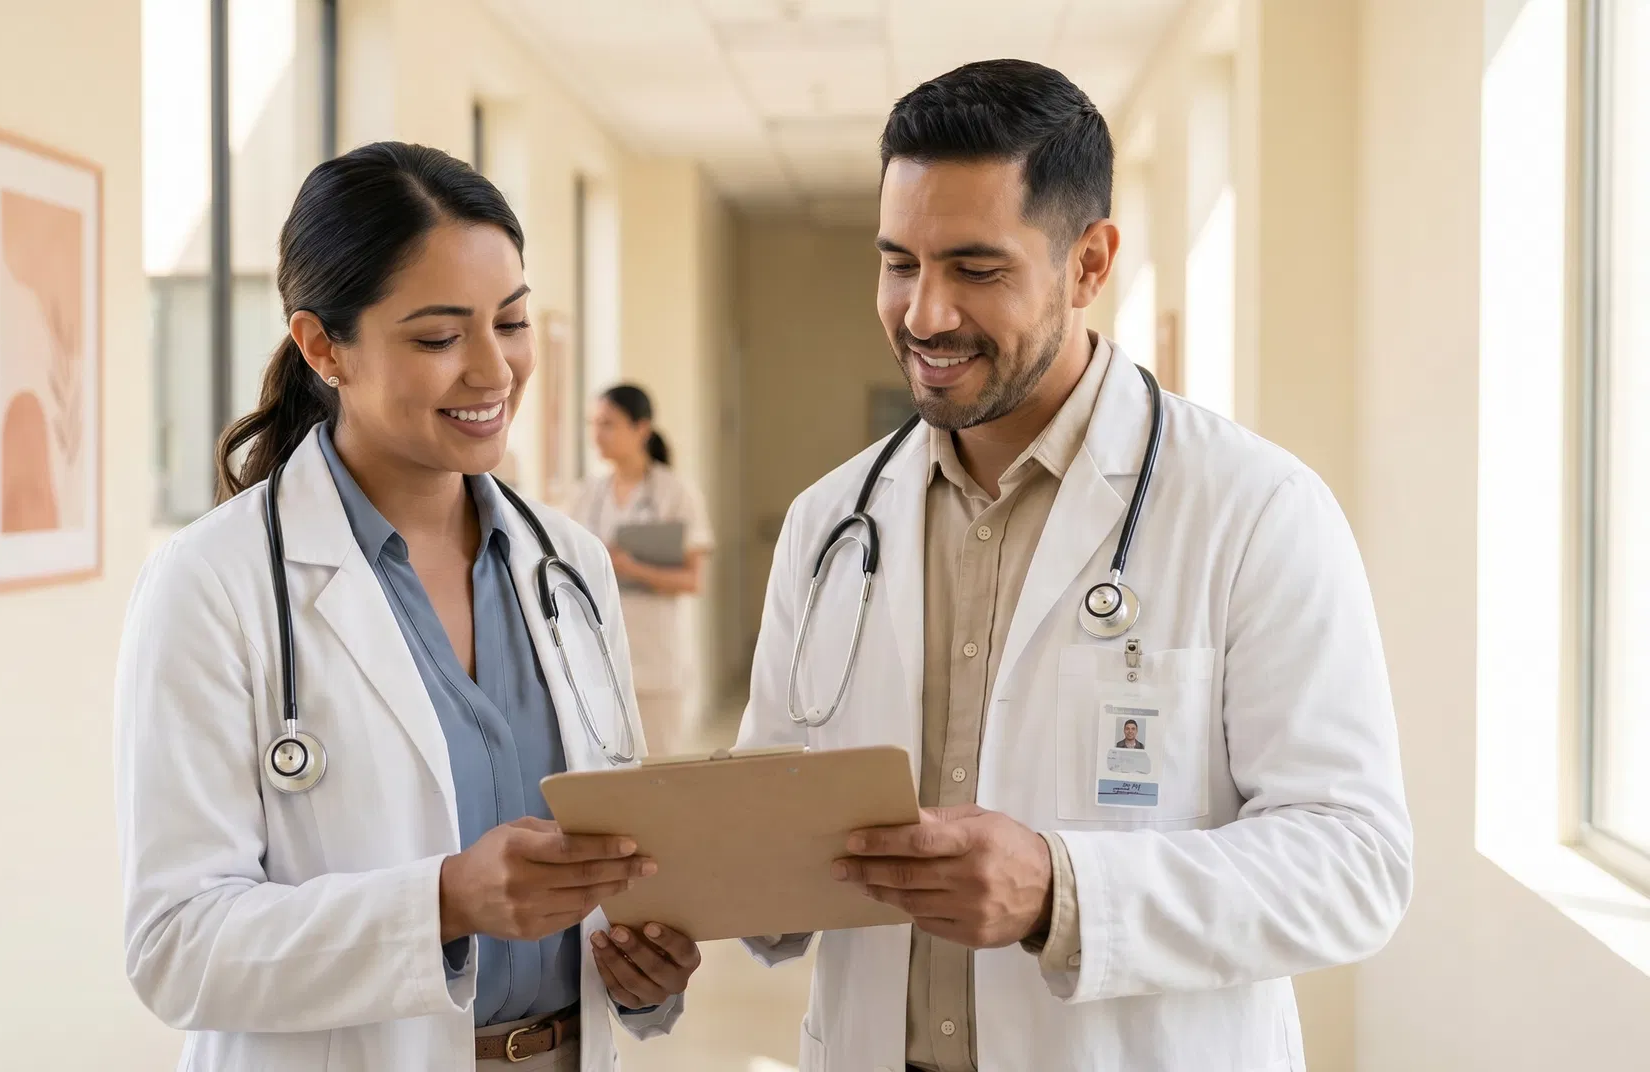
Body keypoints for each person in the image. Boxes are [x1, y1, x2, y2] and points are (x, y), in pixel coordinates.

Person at [735, 60, 1411, 1071]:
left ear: (1089, 263)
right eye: (898, 262)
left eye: (975, 267)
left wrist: (1064, 891)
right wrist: (700, 890)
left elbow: (1355, 865)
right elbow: (775, 800)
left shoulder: (1254, 509)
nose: (922, 314)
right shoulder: (833, 521)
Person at [115, 143, 699, 1072]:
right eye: (438, 338)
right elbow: (175, 947)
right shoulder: (213, 584)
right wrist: (444, 902)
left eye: (510, 322)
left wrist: (641, 965)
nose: (493, 372)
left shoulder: (570, 566)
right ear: (322, 347)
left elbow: (601, 873)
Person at [566, 384, 713, 755]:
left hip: (656, 662)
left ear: (641, 429)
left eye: (608, 424)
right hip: (598, 658)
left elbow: (693, 580)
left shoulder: (675, 492)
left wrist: (630, 566)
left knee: (658, 773)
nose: (597, 435)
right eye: (594, 424)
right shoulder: (586, 494)